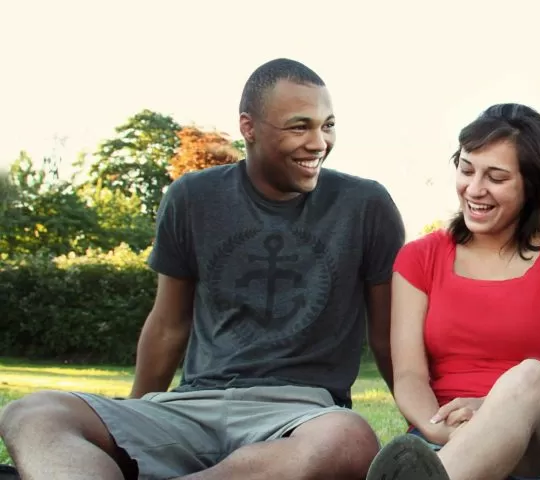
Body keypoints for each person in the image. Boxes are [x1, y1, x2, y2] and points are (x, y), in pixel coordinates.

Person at [0, 58, 405, 480]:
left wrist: (422, 424)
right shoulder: (192, 197)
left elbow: (388, 335)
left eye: (328, 125)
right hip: (192, 406)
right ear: (249, 127)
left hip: (302, 415)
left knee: (351, 439)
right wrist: (132, 418)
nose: (319, 142)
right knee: (32, 412)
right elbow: (168, 324)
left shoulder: (365, 205)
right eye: (299, 127)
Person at [364, 103, 540, 480]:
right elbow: (409, 373)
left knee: (529, 377)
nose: (474, 189)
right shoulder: (419, 257)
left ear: (533, 184)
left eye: (496, 177)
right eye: (466, 169)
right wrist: (439, 428)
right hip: (442, 433)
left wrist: (488, 411)